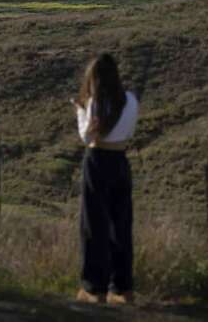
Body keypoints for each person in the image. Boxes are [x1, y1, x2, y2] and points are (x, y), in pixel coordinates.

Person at [73, 53, 139, 305]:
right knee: (121, 224)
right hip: (121, 159)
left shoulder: (93, 104)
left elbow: (87, 137)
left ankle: (94, 287)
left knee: (93, 225)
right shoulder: (130, 100)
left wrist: (80, 113)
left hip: (97, 160)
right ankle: (122, 287)